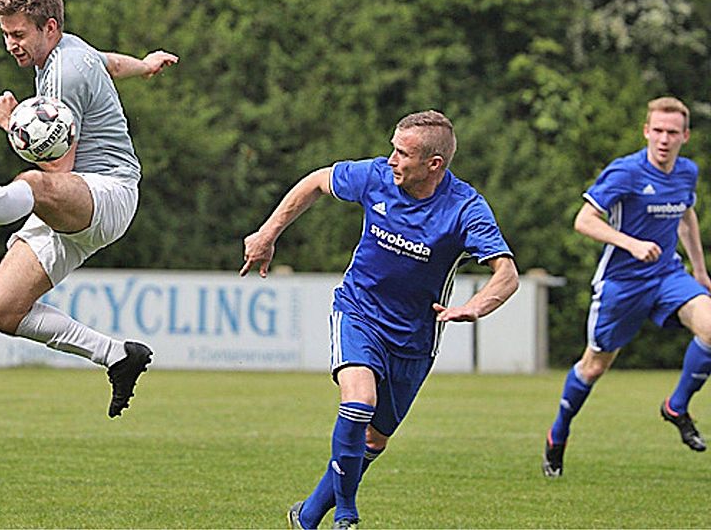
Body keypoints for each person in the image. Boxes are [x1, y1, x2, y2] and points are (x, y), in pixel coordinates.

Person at [241, 110, 519, 529]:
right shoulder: (375, 176)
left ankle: (309, 514)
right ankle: (347, 515)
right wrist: (267, 234)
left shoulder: (465, 208)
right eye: (392, 148)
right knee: (358, 403)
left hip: (414, 338)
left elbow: (507, 274)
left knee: (375, 438)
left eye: (402, 153)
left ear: (434, 164)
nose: (391, 159)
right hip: (359, 311)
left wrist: (475, 306)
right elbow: (316, 181)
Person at [0, 0, 178, 418]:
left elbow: (58, 174)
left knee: (35, 184)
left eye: (18, 33)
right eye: (5, 34)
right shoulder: (74, 49)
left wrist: (13, 127)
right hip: (77, 203)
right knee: (1, 310)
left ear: (49, 27)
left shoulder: (64, 75)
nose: (10, 44)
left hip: (107, 191)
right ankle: (118, 356)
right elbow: (109, 62)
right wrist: (145, 66)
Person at [543, 96, 710, 477]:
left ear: (685, 135)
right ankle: (558, 434)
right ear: (646, 132)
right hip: (622, 283)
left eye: (672, 132)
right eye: (658, 131)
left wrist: (699, 271)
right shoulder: (626, 172)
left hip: (668, 275)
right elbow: (583, 220)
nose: (664, 139)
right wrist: (631, 243)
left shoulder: (687, 172)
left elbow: (686, 216)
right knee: (594, 366)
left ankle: (676, 407)